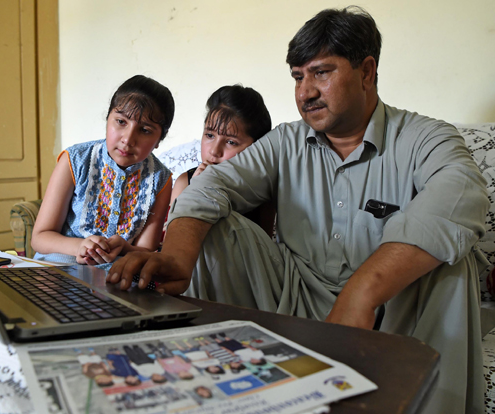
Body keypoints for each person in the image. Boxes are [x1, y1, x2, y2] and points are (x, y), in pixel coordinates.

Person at [108, 7, 489, 414]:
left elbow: (461, 198)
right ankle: (222, 394)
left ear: (366, 71)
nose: (305, 92)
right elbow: (213, 184)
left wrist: (363, 291)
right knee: (218, 227)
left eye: (321, 73)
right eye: (297, 77)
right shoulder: (286, 140)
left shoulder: (425, 137)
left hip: (391, 309)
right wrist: (176, 255)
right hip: (291, 299)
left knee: (453, 262)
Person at [31, 75, 175, 267]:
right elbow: (40, 238)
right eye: (121, 122)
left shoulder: (161, 179)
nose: (128, 139)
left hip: (118, 272)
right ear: (108, 119)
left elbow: (146, 250)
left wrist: (124, 247)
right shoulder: (74, 160)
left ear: (159, 140)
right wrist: (80, 246)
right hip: (62, 263)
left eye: (145, 130)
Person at [170, 85, 275, 236]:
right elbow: (173, 241)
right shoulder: (185, 183)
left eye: (231, 142)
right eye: (210, 135)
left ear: (255, 149)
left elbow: (262, 248)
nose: (214, 151)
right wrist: (196, 192)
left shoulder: (263, 195)